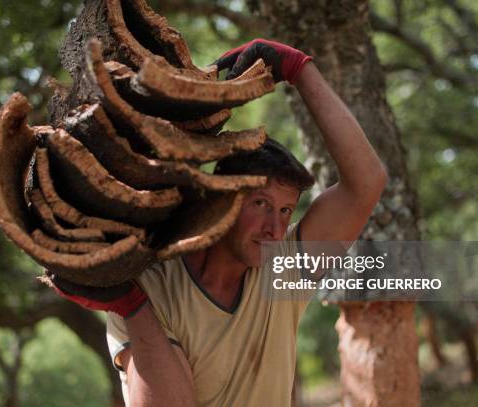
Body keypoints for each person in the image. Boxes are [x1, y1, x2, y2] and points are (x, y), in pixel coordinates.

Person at [43, 39, 388, 406]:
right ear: (223, 199)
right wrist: (131, 306)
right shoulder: (150, 290)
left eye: (286, 211)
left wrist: (300, 69)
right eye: (261, 203)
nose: (275, 228)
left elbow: (366, 183)